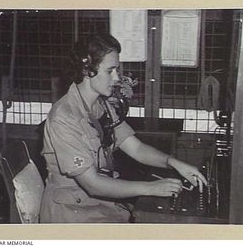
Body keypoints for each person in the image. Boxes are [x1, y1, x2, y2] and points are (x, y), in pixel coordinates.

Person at [39, 33, 207, 223]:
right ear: (87, 70)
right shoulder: (64, 118)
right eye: (110, 71)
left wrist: (173, 163)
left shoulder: (102, 106)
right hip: (72, 215)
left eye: (116, 70)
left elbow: (136, 148)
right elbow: (93, 184)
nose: (117, 78)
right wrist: (151, 188)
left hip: (100, 206)